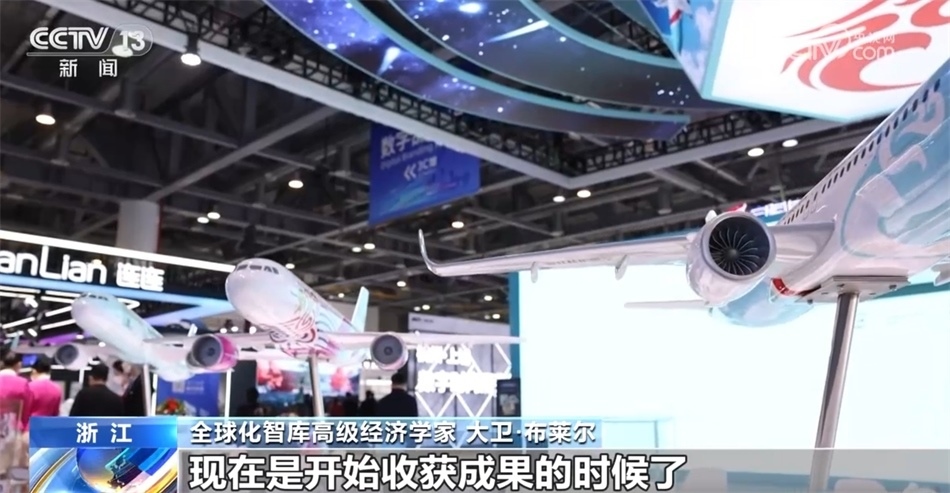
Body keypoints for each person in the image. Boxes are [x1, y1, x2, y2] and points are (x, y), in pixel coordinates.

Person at [0, 350, 32, 485]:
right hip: (12, 430)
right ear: (18, 364)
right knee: (9, 472)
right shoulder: (22, 383)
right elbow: (26, 410)